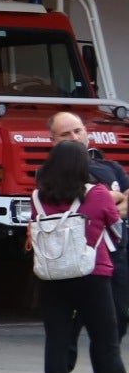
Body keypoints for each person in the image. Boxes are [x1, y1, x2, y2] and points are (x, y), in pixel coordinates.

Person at [28, 138, 127, 373]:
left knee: (57, 342)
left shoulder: (38, 197)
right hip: (93, 276)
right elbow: (116, 230)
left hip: (52, 277)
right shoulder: (97, 194)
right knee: (107, 345)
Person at [49, 110, 129, 347]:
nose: (74, 137)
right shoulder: (53, 174)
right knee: (68, 333)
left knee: (118, 322)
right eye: (66, 134)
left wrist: (106, 205)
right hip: (75, 262)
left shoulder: (110, 166)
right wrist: (110, 201)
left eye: (78, 130)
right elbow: (91, 207)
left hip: (117, 257)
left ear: (87, 132)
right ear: (53, 141)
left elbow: (108, 203)